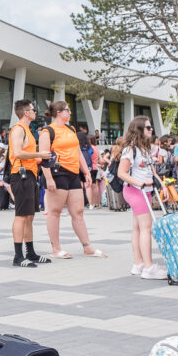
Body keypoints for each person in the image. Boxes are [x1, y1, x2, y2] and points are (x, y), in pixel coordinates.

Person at [37, 101, 106, 259]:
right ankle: (56, 248)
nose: (70, 112)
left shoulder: (70, 128)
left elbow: (78, 152)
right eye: (68, 110)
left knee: (78, 211)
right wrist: (49, 179)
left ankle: (87, 246)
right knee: (55, 212)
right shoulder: (47, 132)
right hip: (57, 172)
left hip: (73, 173)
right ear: (59, 112)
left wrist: (86, 172)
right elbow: (43, 157)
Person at [117, 116, 168, 280]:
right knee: (146, 228)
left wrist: (162, 185)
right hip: (136, 190)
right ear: (139, 130)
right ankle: (149, 267)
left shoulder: (145, 149)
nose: (151, 129)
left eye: (151, 127)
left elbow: (152, 171)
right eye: (148, 127)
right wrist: (140, 183)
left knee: (138, 228)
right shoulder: (130, 150)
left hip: (143, 190)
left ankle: (139, 264)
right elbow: (121, 173)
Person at [7, 100, 52, 267]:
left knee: (29, 216)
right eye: (33, 109)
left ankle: (30, 252)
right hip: (21, 175)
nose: (35, 112)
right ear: (26, 112)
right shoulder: (18, 130)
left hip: (30, 174)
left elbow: (26, 153)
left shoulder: (27, 130)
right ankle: (18, 256)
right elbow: (18, 153)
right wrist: (39, 153)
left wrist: (40, 158)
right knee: (21, 216)